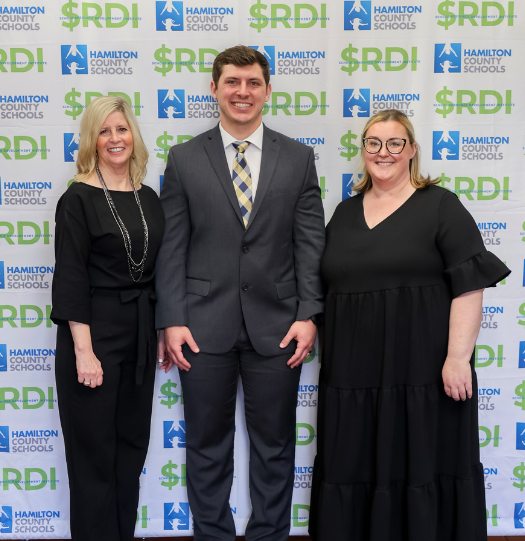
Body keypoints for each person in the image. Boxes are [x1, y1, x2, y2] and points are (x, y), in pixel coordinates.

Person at [309, 109, 509, 541]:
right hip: (352, 380)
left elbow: (470, 286)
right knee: (352, 465)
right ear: (363, 151)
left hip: (424, 375)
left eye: (395, 143)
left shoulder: (440, 206)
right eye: (373, 143)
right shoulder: (343, 213)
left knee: (424, 465)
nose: (383, 152)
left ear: (412, 150)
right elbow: (327, 291)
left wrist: (458, 358)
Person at [155, 45, 325, 541]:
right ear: (214, 89)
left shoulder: (298, 158)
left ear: (268, 91)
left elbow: (310, 244)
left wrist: (309, 313)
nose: (242, 92)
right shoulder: (184, 158)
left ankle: (269, 534)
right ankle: (213, 535)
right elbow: (172, 248)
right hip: (201, 327)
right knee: (207, 445)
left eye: (253, 83)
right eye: (232, 81)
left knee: (275, 445)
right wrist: (172, 318)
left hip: (280, 326)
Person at [52, 96, 166, 541]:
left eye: (121, 129)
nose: (115, 139)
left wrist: (157, 331)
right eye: (104, 131)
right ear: (91, 140)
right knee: (93, 457)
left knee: (130, 451)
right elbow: (71, 277)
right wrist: (84, 352)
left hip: (139, 334)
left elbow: (156, 272)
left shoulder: (148, 197)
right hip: (93, 336)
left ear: (133, 134)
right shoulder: (77, 199)